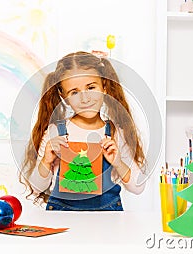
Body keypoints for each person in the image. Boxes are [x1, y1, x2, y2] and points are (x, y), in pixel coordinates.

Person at [20, 51, 146, 211]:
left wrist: (118, 163)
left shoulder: (114, 133)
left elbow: (138, 187)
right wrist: (46, 160)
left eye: (91, 87)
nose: (85, 98)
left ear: (104, 87)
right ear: (63, 96)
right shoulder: (55, 132)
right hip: (63, 219)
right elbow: (37, 187)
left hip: (106, 222)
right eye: (74, 92)